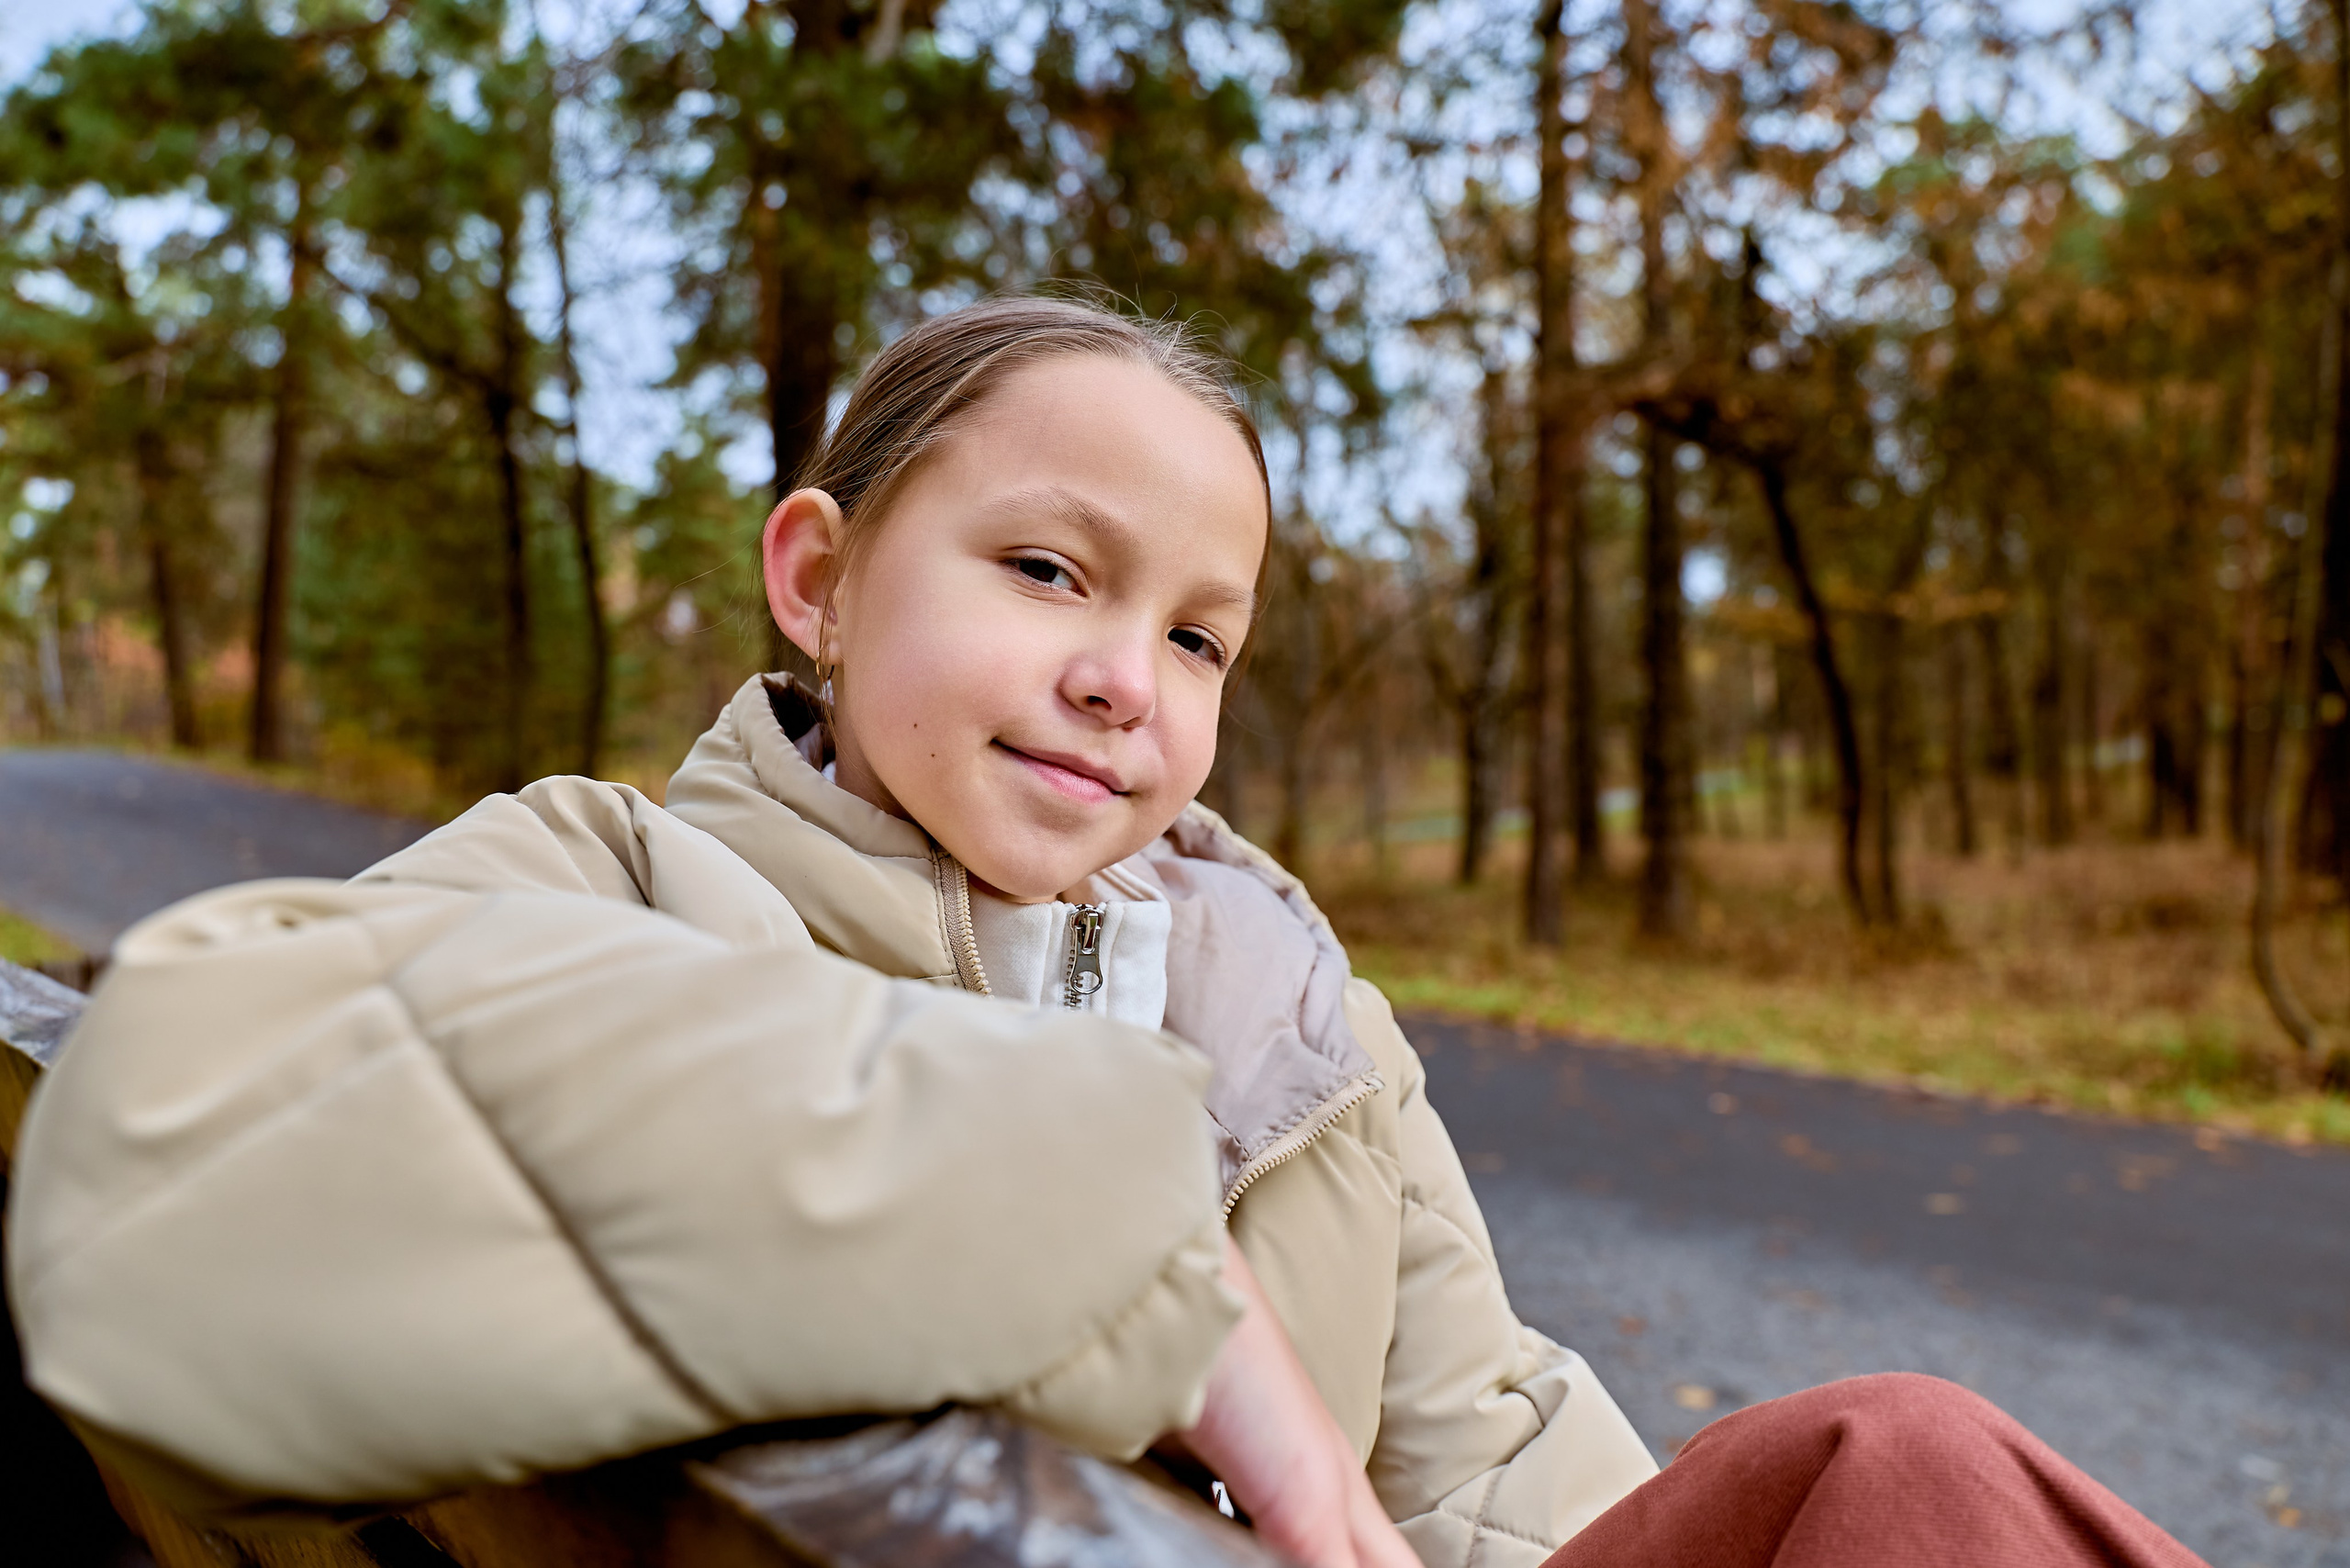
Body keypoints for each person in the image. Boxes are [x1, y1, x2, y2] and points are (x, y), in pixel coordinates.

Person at [7, 297, 2203, 1568]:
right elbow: (187, 1128)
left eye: (1197, 628)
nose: (1121, 676)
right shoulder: (616, 878)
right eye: (1047, 569)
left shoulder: (1287, 1003)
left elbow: (1491, 1440)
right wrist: (1126, 1265)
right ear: (821, 576)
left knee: (1901, 1462)